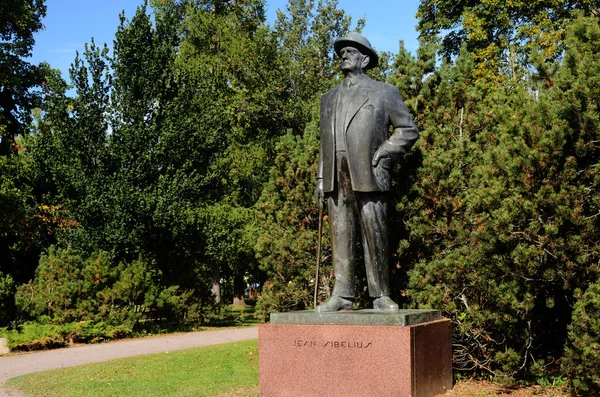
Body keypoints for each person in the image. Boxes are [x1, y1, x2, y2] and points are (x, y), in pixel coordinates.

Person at [314, 32, 419, 312]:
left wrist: (385, 152)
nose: (344, 55)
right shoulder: (328, 98)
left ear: (364, 58)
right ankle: (342, 294)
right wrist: (321, 178)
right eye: (342, 51)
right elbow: (324, 142)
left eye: (350, 51)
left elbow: (408, 130)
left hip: (370, 171)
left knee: (375, 233)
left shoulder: (384, 92)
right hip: (337, 174)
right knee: (341, 233)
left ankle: (380, 295)